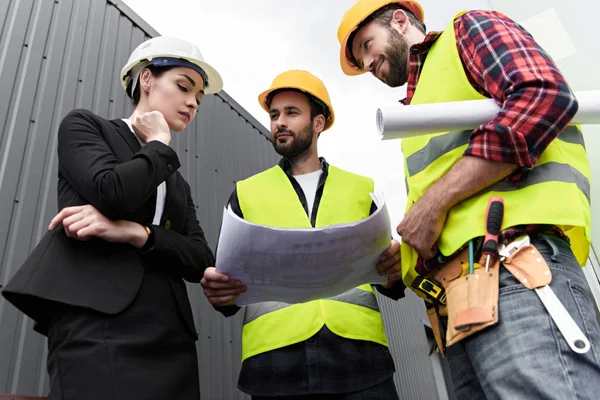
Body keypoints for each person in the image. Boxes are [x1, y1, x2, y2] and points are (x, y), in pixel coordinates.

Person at [337, 0, 600, 398]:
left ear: (400, 20)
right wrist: (404, 258)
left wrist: (434, 203)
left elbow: (542, 95)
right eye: (360, 59)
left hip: (514, 272)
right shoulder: (418, 110)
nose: (368, 63)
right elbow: (448, 213)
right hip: (456, 302)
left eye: (367, 45)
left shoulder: (469, 31)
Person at [3, 36, 223, 400]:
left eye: (199, 99)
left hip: (169, 333)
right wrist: (158, 145)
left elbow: (200, 257)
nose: (191, 103)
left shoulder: (177, 181)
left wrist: (136, 233)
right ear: (147, 79)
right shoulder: (86, 127)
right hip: (95, 320)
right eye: (184, 87)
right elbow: (111, 192)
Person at [201, 70, 404, 399]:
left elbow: (392, 281)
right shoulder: (246, 193)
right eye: (274, 115)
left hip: (360, 359)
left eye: (291, 113)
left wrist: (396, 271)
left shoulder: (360, 189)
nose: (279, 122)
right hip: (276, 365)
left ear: (319, 123)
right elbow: (227, 289)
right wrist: (219, 292)